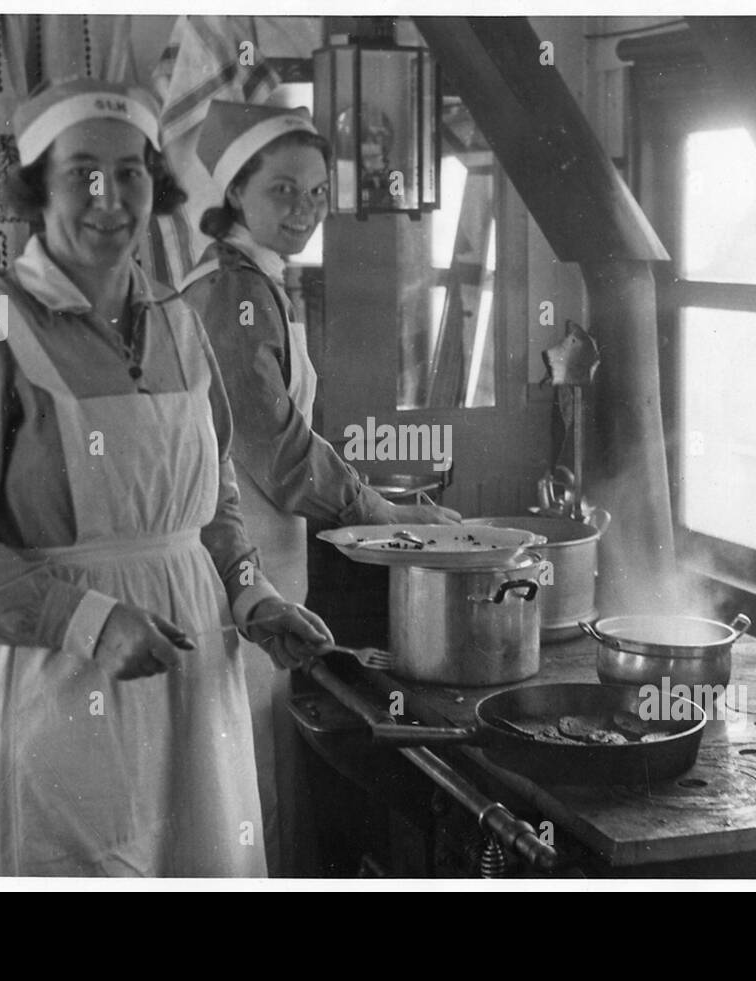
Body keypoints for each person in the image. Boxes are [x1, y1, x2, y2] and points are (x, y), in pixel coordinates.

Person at [0, 79, 330, 876]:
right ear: (33, 186)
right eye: (81, 170)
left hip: (189, 688)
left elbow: (209, 497)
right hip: (45, 687)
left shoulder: (178, 321)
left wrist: (250, 594)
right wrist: (85, 620)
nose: (109, 196)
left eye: (130, 172)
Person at [178, 100, 459, 875]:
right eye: (282, 192)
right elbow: (280, 453)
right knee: (246, 780)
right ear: (236, 194)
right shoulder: (231, 293)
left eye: (315, 194)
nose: (303, 211)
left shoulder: (261, 281)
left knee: (258, 763)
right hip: (240, 562)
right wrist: (387, 514)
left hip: (271, 555)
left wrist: (380, 509)